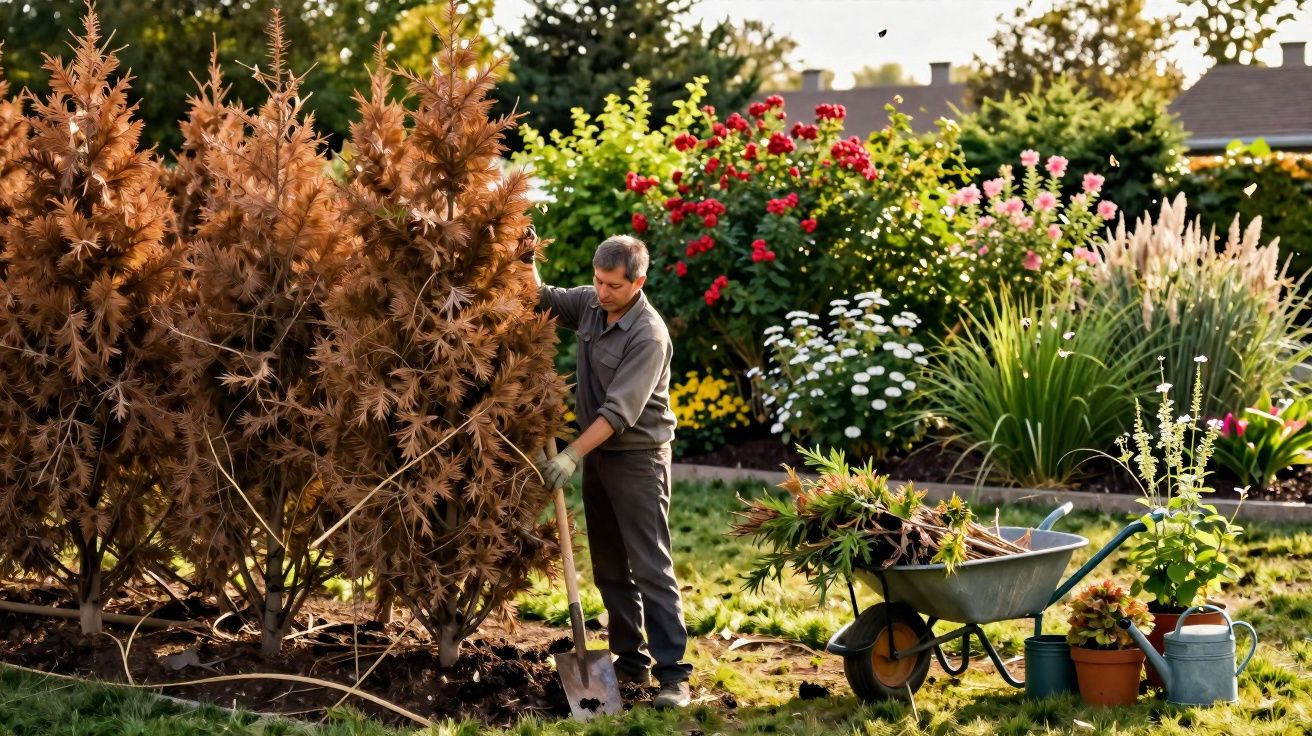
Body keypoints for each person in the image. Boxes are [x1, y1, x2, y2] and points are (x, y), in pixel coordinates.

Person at [525, 234, 693, 709]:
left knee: (650, 566)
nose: (601, 292)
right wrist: (523, 258)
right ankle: (630, 660)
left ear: (638, 281)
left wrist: (570, 454)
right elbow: (541, 298)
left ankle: (674, 675)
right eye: (598, 281)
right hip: (597, 454)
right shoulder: (591, 305)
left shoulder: (649, 334)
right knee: (610, 567)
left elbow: (619, 413)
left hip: (638, 458)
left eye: (613, 286)